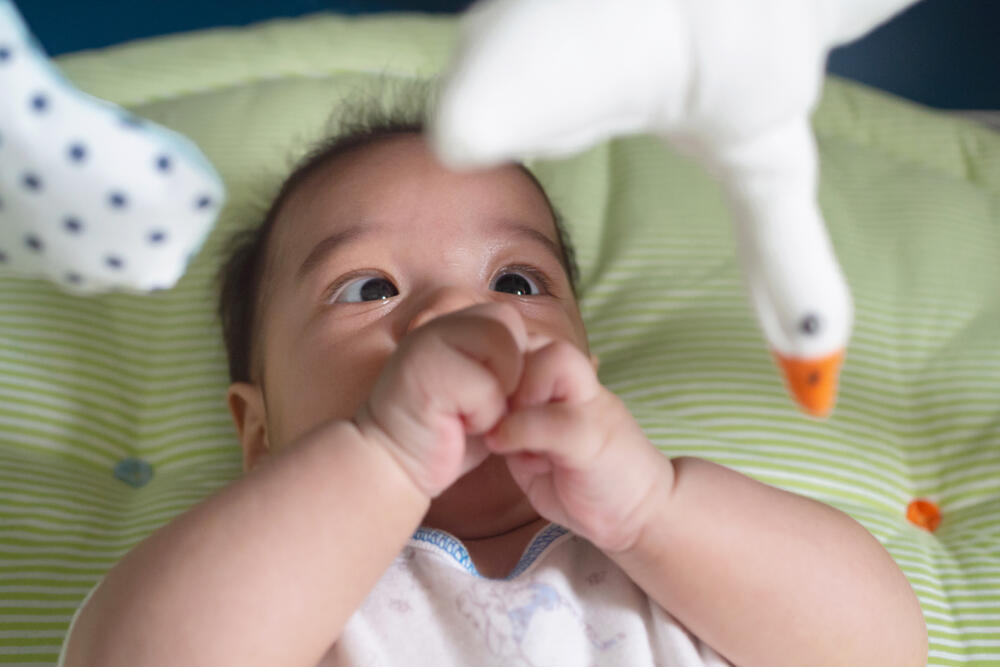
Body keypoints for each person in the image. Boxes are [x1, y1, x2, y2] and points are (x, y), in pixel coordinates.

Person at [59, 104, 928, 667]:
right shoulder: (287, 590)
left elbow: (881, 646)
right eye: (369, 289)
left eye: (516, 282)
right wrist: (384, 459)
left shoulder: (673, 562)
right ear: (259, 434)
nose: (453, 312)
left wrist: (651, 507)